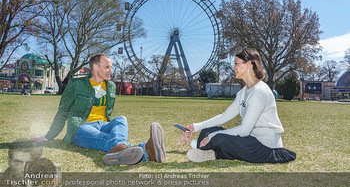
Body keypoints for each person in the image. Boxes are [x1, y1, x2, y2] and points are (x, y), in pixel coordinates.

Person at [32, 54, 166, 165]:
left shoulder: (111, 86)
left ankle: (131, 151)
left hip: (103, 124)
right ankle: (146, 150)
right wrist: (48, 136)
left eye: (111, 67)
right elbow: (63, 111)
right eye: (107, 67)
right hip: (81, 127)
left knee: (121, 119)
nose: (111, 70)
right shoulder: (76, 84)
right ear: (95, 67)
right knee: (106, 140)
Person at [185, 48, 296, 163]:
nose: (233, 68)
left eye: (236, 64)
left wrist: (212, 137)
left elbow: (244, 131)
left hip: (265, 146)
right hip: (250, 139)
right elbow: (224, 116)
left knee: (218, 137)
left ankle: (208, 150)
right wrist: (196, 127)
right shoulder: (243, 92)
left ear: (248, 64)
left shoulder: (259, 91)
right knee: (207, 131)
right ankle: (210, 153)